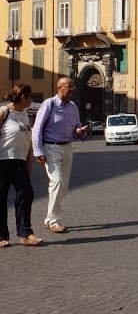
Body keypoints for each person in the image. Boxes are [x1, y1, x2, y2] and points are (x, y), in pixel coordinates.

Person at [32, 76, 88, 233]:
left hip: (67, 148)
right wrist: (38, 151)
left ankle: (49, 218)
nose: (72, 90)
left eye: (73, 87)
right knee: (56, 181)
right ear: (60, 87)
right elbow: (37, 128)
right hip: (51, 147)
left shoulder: (73, 107)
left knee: (63, 186)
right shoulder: (49, 104)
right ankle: (55, 221)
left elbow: (76, 127)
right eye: (70, 87)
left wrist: (79, 131)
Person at [0, 84, 42, 247]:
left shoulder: (24, 114)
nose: (33, 99)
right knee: (1, 198)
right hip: (2, 161)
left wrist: (28, 164)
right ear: (23, 97)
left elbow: (27, 142)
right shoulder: (4, 112)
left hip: (19, 161)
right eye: (31, 96)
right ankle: (1, 236)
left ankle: (25, 233)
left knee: (26, 193)